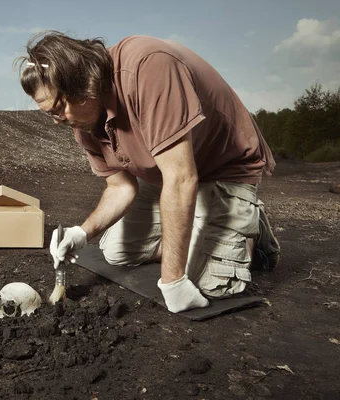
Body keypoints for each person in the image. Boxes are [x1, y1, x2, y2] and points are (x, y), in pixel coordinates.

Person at [16, 31, 281, 313]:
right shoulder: (84, 124)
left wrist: (173, 281)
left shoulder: (148, 67)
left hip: (221, 169)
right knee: (116, 252)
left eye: (58, 109)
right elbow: (121, 187)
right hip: (169, 175)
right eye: (49, 114)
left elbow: (181, 178)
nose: (59, 122)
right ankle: (202, 234)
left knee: (214, 284)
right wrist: (81, 233)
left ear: (82, 84)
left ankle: (253, 231)